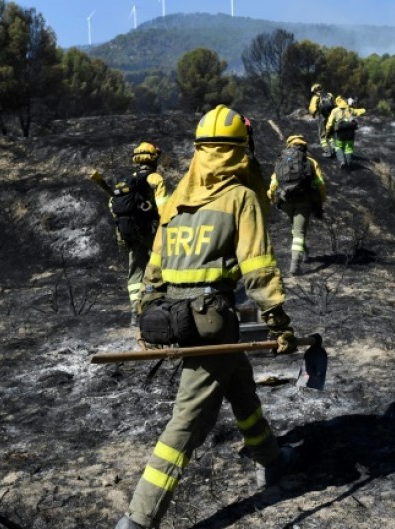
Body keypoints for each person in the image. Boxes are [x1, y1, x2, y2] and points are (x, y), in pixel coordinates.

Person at [114, 105, 299, 529]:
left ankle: (269, 458)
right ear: (239, 151)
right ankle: (138, 519)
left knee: (240, 385)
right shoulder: (241, 198)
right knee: (187, 422)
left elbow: (154, 267)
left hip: (173, 318)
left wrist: (145, 312)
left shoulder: (178, 199)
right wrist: (279, 323)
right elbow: (258, 268)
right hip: (214, 323)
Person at [89, 142, 169, 326]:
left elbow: (113, 205)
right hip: (150, 231)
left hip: (129, 232)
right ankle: (158, 304)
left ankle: (135, 311)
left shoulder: (127, 181)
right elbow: (164, 209)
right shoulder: (155, 179)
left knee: (136, 271)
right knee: (162, 265)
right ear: (153, 159)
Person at [268, 134, 326, 276]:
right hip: (303, 201)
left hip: (286, 201)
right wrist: (320, 201)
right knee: (299, 233)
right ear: (304, 146)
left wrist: (272, 198)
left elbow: (274, 183)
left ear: (289, 145)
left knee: (296, 228)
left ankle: (305, 252)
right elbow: (320, 184)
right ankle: (295, 264)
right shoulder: (310, 161)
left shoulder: (282, 160)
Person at [325, 95, 367, 169]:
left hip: (340, 133)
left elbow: (329, 124)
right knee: (348, 149)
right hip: (351, 132)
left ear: (337, 103)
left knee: (338, 147)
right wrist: (364, 110)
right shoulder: (349, 109)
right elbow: (358, 111)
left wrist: (327, 133)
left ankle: (342, 162)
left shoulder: (334, 111)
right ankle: (348, 163)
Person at [308, 83, 335, 158]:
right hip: (331, 116)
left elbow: (312, 109)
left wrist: (313, 114)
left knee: (322, 135)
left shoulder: (315, 97)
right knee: (330, 133)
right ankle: (334, 148)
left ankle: (327, 151)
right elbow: (334, 104)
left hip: (322, 117)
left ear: (314, 90)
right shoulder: (329, 95)